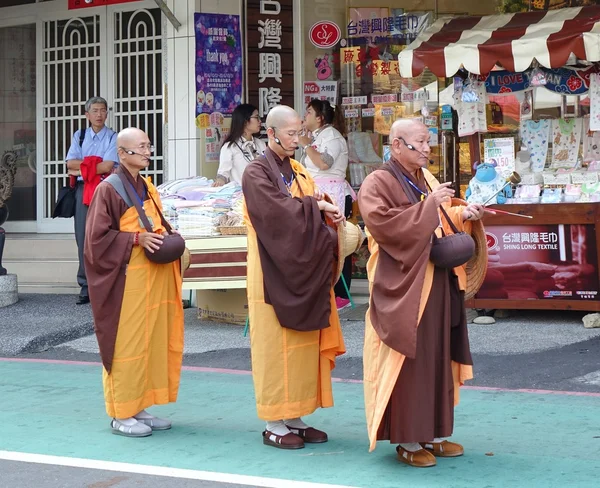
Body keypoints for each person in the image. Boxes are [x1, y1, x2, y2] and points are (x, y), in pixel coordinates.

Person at [358, 119, 486, 468]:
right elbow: (383, 225)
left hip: (437, 281)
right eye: (420, 143)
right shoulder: (377, 182)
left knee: (437, 356)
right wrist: (430, 207)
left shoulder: (425, 179)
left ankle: (434, 432)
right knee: (411, 361)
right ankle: (407, 439)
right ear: (396, 144)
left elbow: (440, 219)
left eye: (428, 142)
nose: (427, 149)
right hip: (404, 285)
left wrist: (462, 213)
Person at [242, 105, 346, 450]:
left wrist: (325, 204)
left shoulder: (299, 169)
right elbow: (274, 214)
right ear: (270, 134)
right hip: (270, 271)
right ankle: (274, 421)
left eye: (301, 132)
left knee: (302, 346)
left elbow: (310, 200)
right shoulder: (255, 172)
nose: (298, 140)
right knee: (275, 347)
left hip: (302, 269)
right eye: (291, 133)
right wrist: (312, 208)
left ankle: (296, 417)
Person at [84, 127, 184, 438]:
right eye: (141, 147)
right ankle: (120, 413)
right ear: (123, 153)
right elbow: (95, 241)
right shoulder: (108, 190)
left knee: (149, 342)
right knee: (127, 345)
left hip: (151, 280)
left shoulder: (147, 186)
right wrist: (136, 238)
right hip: (125, 282)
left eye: (148, 145)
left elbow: (156, 223)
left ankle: (140, 405)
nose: (147, 150)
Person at [299, 99, 355, 311]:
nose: (305, 116)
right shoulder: (318, 136)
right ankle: (328, 289)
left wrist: (305, 144)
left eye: (309, 112)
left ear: (320, 117)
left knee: (336, 240)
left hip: (331, 192)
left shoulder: (331, 136)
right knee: (323, 240)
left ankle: (341, 293)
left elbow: (325, 163)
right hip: (319, 192)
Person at [66, 96, 118, 305]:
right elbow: (70, 164)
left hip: (106, 190)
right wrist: (94, 164)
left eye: (103, 110)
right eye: (95, 111)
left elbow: (108, 167)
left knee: (106, 235)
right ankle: (86, 285)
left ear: (107, 113)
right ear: (87, 115)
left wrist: (84, 166)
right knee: (83, 237)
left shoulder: (113, 137)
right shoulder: (79, 136)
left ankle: (105, 284)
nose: (99, 114)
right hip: (82, 191)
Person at [213, 103, 266, 187]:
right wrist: (220, 180)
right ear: (245, 121)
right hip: (241, 195)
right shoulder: (230, 147)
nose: (260, 121)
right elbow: (223, 173)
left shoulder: (261, 144)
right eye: (256, 118)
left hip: (261, 192)